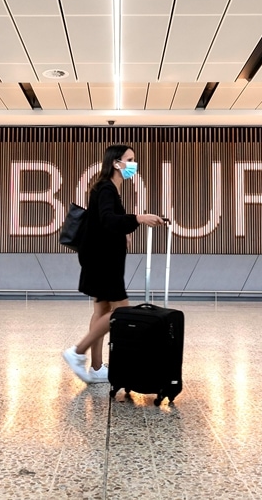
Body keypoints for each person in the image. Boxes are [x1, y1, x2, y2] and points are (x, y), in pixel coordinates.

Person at [62, 144, 165, 383]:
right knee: (121, 311)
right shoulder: (107, 189)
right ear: (116, 163)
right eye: (129, 160)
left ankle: (97, 369)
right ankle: (77, 352)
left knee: (101, 311)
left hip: (99, 257)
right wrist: (139, 218)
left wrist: (124, 233)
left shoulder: (106, 188)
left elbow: (103, 221)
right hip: (104, 261)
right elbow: (108, 219)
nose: (133, 165)